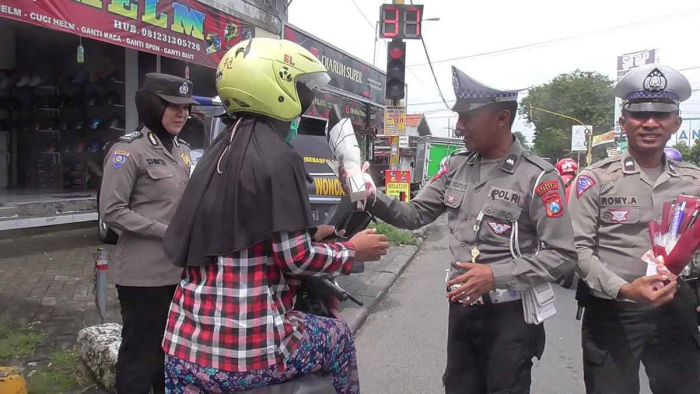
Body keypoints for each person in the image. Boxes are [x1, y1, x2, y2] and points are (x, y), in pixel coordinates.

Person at [160, 38, 389, 394]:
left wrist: (312, 234)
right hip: (247, 351)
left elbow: (242, 232)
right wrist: (353, 251)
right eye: (301, 88)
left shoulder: (213, 155)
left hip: (181, 351)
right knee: (340, 336)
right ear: (277, 88)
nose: (305, 101)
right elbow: (296, 258)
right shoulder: (279, 157)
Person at [352, 67, 577, 393]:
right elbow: (414, 214)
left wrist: (495, 275)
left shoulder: (538, 178)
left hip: (510, 317)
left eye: (467, 117)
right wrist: (372, 196)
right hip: (462, 312)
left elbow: (562, 254)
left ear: (501, 119)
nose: (459, 126)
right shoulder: (456, 167)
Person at [569, 64, 700, 394]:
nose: (651, 122)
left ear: (676, 124)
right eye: (640, 114)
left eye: (662, 114)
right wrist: (624, 289)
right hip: (614, 310)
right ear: (623, 122)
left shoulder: (694, 181)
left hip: (677, 310)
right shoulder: (596, 180)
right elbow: (578, 249)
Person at [99, 73, 197, 393]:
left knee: (168, 356)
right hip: (142, 278)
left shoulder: (183, 151)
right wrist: (163, 231)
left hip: (176, 273)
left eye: (186, 107)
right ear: (154, 107)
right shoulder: (129, 151)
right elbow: (111, 211)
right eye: (174, 106)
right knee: (139, 357)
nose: (182, 114)